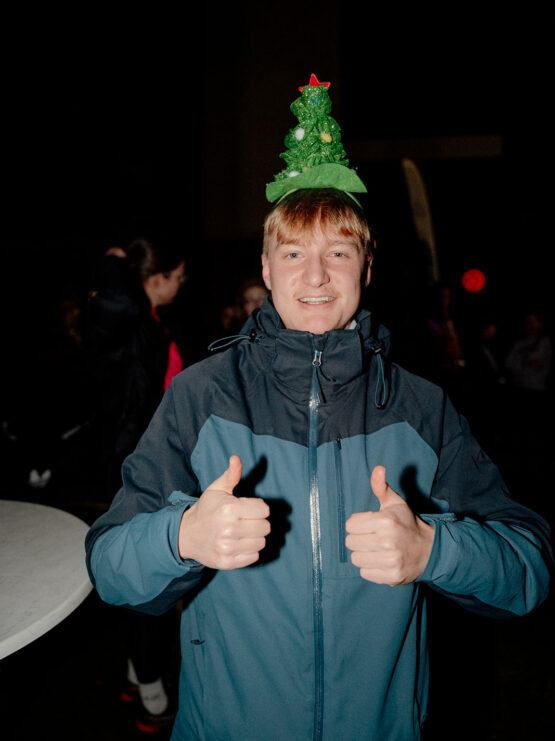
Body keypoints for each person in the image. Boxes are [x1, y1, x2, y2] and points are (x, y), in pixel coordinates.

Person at [85, 76, 552, 740]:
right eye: (293, 253)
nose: (314, 276)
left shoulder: (421, 407)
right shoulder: (201, 395)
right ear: (265, 270)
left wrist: (435, 549)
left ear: (366, 269)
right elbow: (108, 566)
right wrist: (181, 537)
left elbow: (529, 568)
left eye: (338, 252)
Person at [86, 236, 187, 733]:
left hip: (158, 464)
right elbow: (112, 304)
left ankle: (135, 671)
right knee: (154, 577)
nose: (182, 284)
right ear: (155, 278)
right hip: (138, 468)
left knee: (153, 569)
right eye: (177, 276)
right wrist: (116, 264)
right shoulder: (126, 322)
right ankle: (149, 687)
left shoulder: (149, 323)